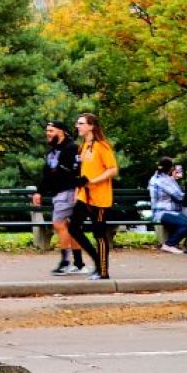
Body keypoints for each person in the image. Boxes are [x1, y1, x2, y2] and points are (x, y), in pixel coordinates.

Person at [66, 112, 118, 280]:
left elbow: (113, 169)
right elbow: (82, 172)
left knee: (99, 234)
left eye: (81, 123)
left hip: (100, 197)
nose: (77, 126)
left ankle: (103, 271)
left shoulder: (102, 146)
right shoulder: (83, 146)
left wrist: (94, 181)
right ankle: (96, 259)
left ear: (91, 126)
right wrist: (77, 190)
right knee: (73, 227)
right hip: (84, 196)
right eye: (77, 123)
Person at [31, 119, 87, 275]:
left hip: (68, 192)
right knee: (70, 228)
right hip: (59, 193)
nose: (48, 134)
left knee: (59, 224)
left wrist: (78, 190)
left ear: (61, 131)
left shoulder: (72, 148)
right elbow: (47, 174)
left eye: (51, 131)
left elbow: (80, 171)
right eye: (47, 131)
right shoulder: (52, 152)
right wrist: (39, 192)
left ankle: (65, 262)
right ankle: (79, 264)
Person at [149, 157, 187, 253]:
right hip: (163, 213)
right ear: (170, 168)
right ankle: (168, 245)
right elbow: (180, 197)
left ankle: (177, 244)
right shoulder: (164, 180)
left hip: (167, 212)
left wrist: (173, 179)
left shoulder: (158, 177)